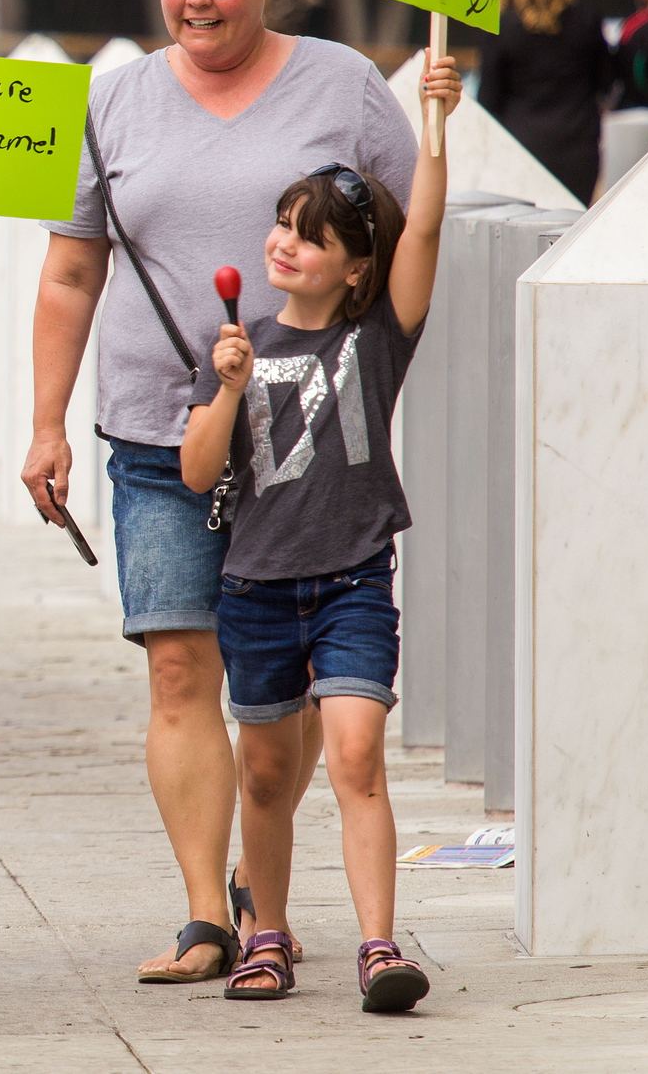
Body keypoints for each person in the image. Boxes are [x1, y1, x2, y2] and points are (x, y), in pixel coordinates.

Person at [20, 0, 461, 983]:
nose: (196, 1)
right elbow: (72, 274)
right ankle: (206, 914)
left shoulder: (341, 86)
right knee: (179, 667)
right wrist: (46, 422)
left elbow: (405, 240)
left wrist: (438, 126)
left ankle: (265, 886)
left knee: (285, 693)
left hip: (304, 442)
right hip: (161, 427)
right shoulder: (112, 103)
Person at [177, 116, 447, 1012]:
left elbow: (428, 229)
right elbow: (195, 468)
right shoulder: (240, 341)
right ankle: (266, 936)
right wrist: (224, 385)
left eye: (311, 236)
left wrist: (437, 129)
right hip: (255, 586)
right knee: (262, 774)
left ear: (357, 267)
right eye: (283, 225)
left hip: (355, 579)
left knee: (356, 755)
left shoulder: (379, 337)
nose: (284, 244)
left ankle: (380, 946)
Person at [475, 0, 612, 204]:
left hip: (519, 152)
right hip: (577, 149)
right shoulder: (586, 19)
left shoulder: (500, 27)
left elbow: (487, 101)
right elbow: (606, 84)